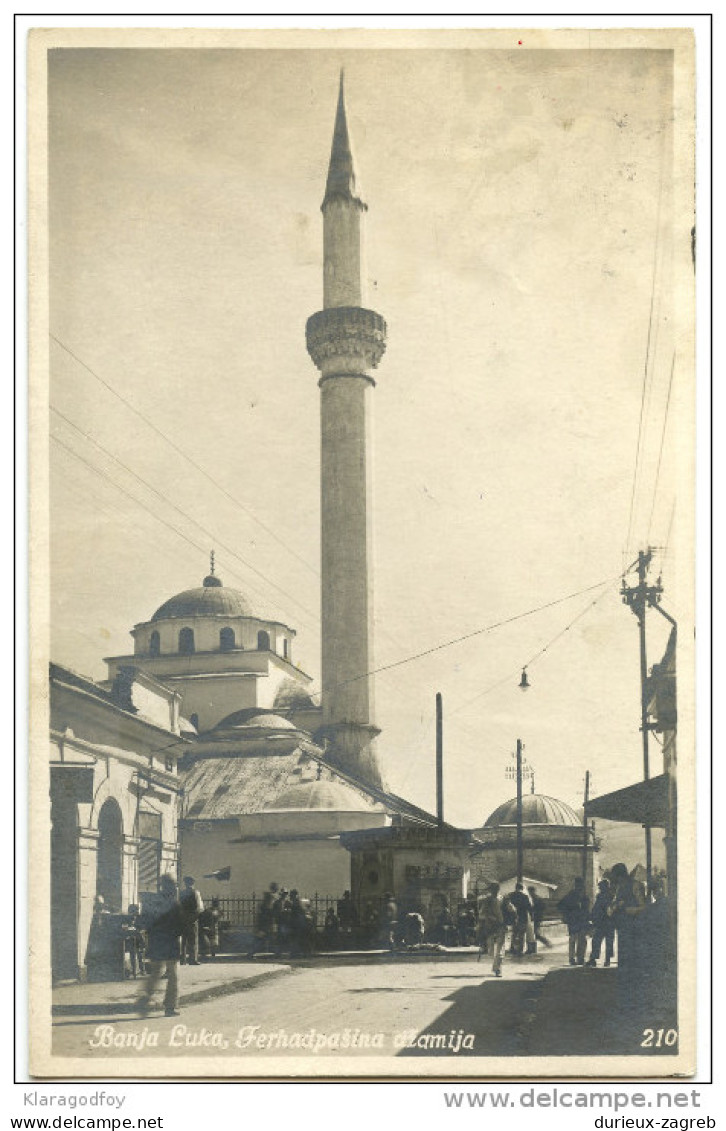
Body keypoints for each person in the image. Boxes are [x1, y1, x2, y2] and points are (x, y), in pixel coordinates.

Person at [138, 874, 186, 1017]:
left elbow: (145, 922)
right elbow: (181, 926)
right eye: (174, 885)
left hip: (156, 941)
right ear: (171, 887)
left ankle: (145, 999)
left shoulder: (153, 901)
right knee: (173, 975)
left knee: (156, 972)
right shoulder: (175, 904)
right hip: (170, 942)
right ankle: (170, 1007)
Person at [608, 863, 647, 969]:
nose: (616, 880)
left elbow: (644, 907)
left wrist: (628, 910)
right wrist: (615, 906)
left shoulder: (636, 886)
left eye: (617, 877)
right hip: (622, 927)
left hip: (634, 927)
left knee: (633, 957)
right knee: (623, 957)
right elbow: (615, 903)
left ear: (621, 876)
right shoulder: (619, 888)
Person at [557, 876, 590, 965]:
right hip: (574, 921)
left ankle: (579, 958)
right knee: (574, 940)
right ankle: (573, 958)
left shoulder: (584, 897)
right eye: (578, 885)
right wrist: (566, 915)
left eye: (580, 885)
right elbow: (560, 906)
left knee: (580, 940)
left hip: (580, 921)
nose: (579, 887)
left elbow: (586, 910)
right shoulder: (571, 896)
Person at [477, 882, 508, 976]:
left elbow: (511, 910)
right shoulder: (487, 900)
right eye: (494, 889)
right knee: (491, 950)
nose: (495, 891)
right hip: (490, 927)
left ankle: (497, 969)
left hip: (500, 926)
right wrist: (489, 917)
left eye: (496, 889)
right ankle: (496, 964)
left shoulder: (503, 899)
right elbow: (481, 914)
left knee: (500, 949)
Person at [586, 878, 615, 967]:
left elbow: (599, 909)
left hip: (603, 922)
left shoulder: (605, 897)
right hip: (608, 923)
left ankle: (596, 960)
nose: (600, 888)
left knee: (597, 941)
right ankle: (605, 960)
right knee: (605, 941)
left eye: (601, 887)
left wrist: (593, 917)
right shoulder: (608, 896)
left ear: (605, 887)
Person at [179, 876, 204, 965]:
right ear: (193, 883)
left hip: (183, 919)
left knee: (183, 940)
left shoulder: (181, 893)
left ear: (185, 883)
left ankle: (182, 959)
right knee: (193, 940)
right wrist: (196, 917)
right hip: (193, 919)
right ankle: (192, 959)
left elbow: (179, 906)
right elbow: (200, 908)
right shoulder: (196, 893)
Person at [507, 883, 535, 956]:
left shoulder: (510, 895)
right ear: (522, 888)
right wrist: (531, 916)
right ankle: (520, 950)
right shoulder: (525, 897)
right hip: (523, 917)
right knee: (521, 934)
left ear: (515, 887)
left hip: (513, 918)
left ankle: (512, 948)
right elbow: (529, 907)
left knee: (514, 933)